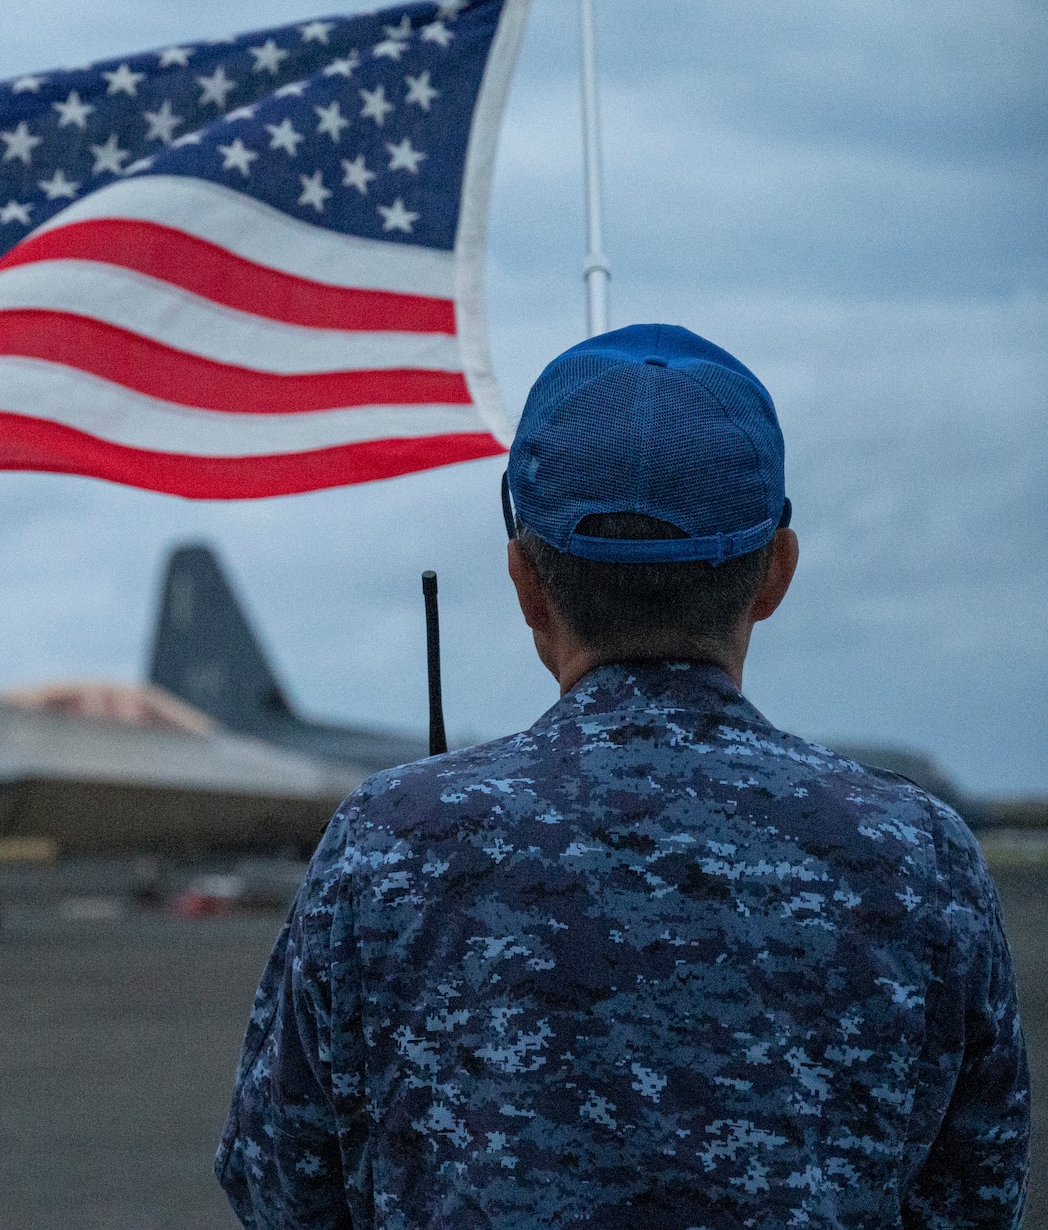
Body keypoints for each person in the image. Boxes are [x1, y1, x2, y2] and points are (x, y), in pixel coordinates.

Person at [218, 324, 1028, 1227]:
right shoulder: (921, 860)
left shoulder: (383, 843)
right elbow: (976, 1198)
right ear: (776, 574)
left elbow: (280, 1186)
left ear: (525, 579)